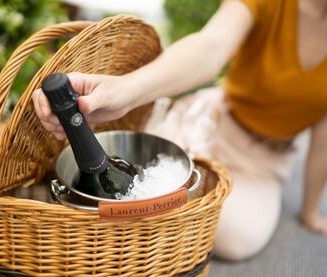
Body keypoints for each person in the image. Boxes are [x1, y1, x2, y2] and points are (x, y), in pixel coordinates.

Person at [32, 0, 327, 261]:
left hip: (264, 160)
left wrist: (310, 210)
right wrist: (126, 89)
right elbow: (212, 44)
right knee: (149, 191)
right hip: (211, 122)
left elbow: (324, 141)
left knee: (236, 240)